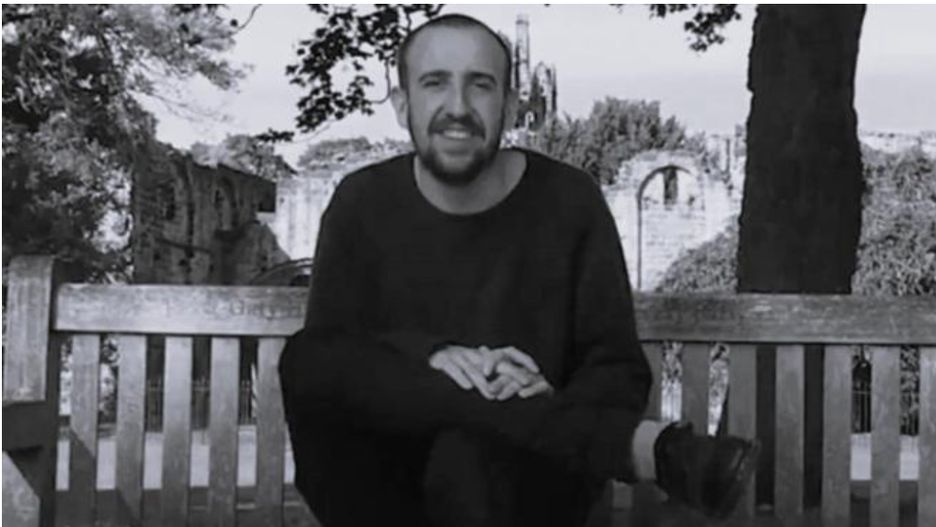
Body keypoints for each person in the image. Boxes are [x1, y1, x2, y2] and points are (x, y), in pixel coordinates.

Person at [279, 13, 758, 527]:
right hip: (384, 486)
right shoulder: (362, 201)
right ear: (402, 105)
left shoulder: (569, 202)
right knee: (306, 357)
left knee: (470, 452)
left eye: (480, 85)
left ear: (510, 106)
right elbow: (331, 361)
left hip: (525, 484)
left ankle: (606, 440)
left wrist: (545, 399)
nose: (457, 107)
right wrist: (434, 357)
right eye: (435, 83)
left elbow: (616, 369)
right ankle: (646, 451)